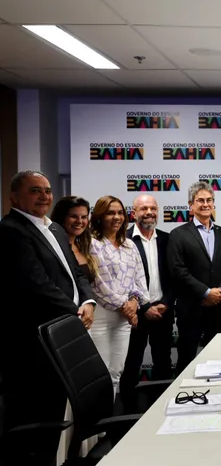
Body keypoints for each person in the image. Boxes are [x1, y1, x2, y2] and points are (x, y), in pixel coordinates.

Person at [0, 172, 94, 454]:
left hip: (64, 330)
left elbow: (76, 272)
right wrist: (75, 310)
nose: (44, 196)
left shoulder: (55, 229)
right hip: (32, 341)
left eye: (48, 191)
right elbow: (35, 283)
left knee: (55, 408)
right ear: (14, 196)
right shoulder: (10, 230)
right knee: (32, 416)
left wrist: (88, 301)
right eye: (35, 190)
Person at [168, 181, 221, 373]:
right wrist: (205, 292)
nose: (205, 204)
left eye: (209, 200)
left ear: (213, 204)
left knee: (217, 358)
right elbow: (177, 270)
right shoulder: (178, 234)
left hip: (219, 306)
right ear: (191, 205)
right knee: (187, 358)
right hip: (191, 307)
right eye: (200, 200)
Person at [88, 195, 149, 395]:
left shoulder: (129, 245)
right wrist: (126, 307)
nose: (116, 217)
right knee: (99, 374)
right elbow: (99, 283)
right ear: (99, 216)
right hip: (101, 317)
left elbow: (139, 280)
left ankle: (109, 413)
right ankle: (95, 417)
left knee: (116, 372)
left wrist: (134, 302)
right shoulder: (92, 243)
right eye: (110, 213)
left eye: (120, 213)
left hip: (124, 319)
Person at [119, 194, 174, 411]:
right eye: (143, 209)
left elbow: (174, 276)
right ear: (134, 213)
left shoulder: (167, 239)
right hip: (135, 315)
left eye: (152, 208)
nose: (149, 212)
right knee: (131, 364)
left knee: (163, 363)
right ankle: (128, 414)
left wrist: (166, 302)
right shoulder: (123, 240)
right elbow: (122, 282)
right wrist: (144, 308)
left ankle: (161, 409)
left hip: (163, 312)